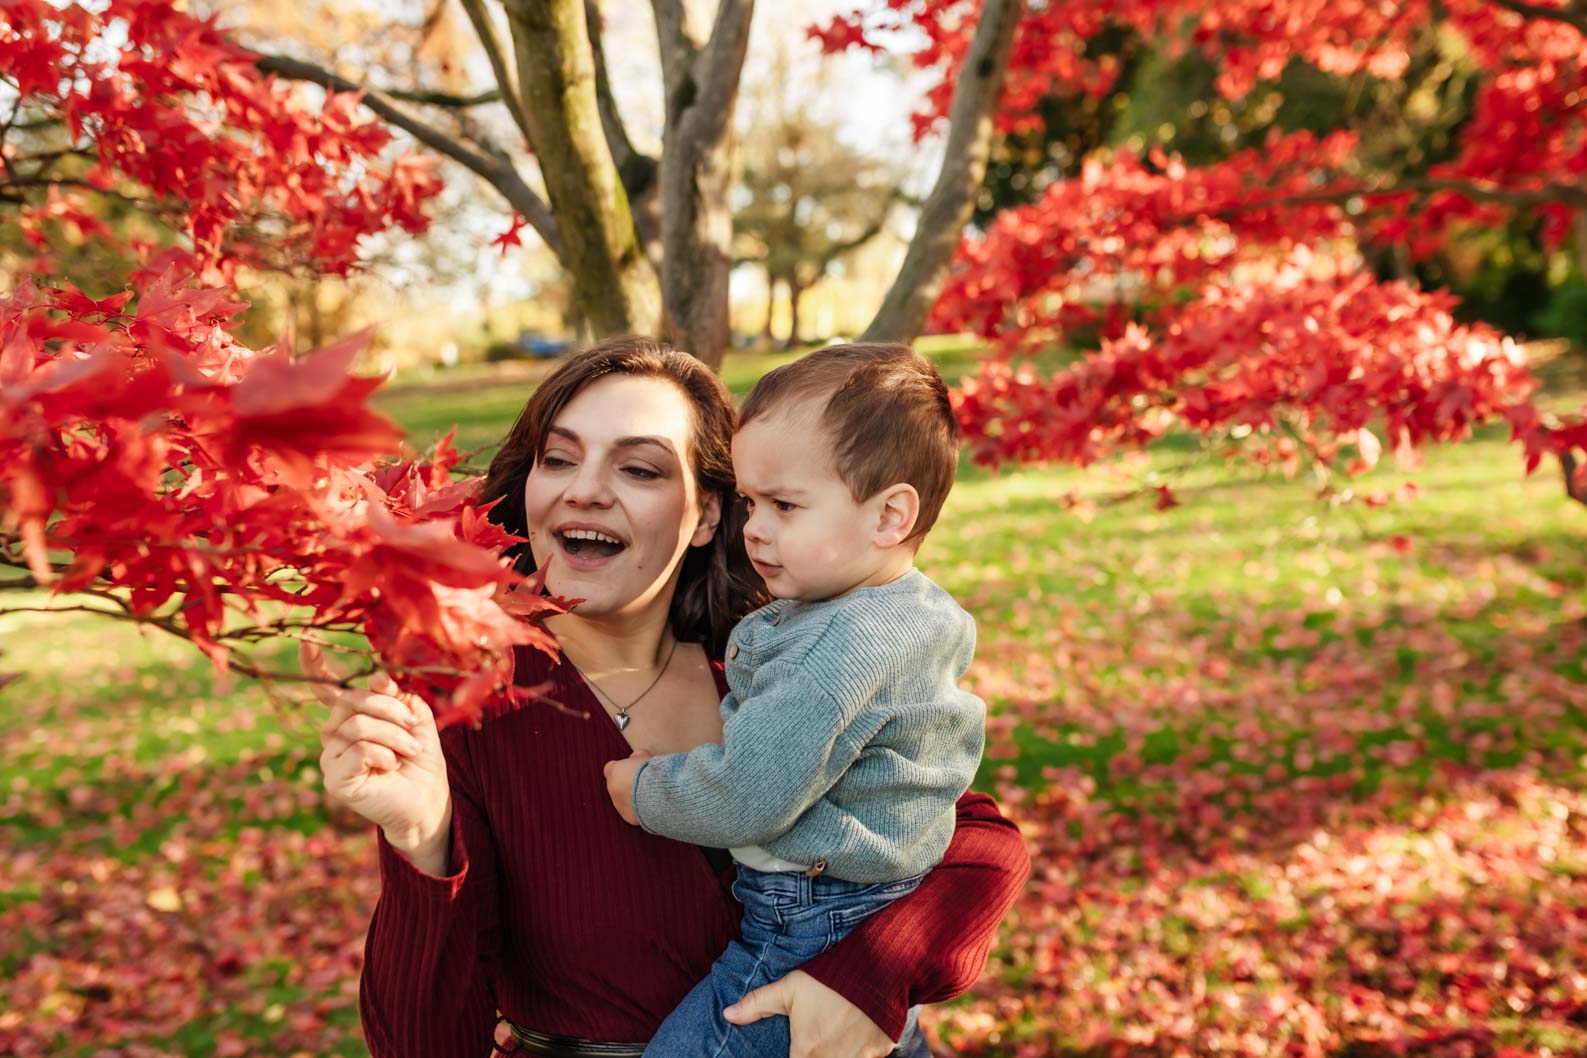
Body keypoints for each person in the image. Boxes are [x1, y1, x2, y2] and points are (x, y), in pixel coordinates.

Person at [307, 337, 1030, 1058]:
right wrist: (422, 840)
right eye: (557, 459)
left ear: (712, 515)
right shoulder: (469, 712)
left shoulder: (762, 662)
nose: (583, 489)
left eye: (639, 468)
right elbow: (420, 1045)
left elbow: (980, 842)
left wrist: (863, 979)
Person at [603, 343, 987, 1058]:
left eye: (784, 504)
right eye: (750, 502)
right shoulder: (914, 613)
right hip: (867, 907)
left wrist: (644, 789)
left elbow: (749, 794)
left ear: (889, 516)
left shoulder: (839, 646)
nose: (755, 527)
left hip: (805, 923)